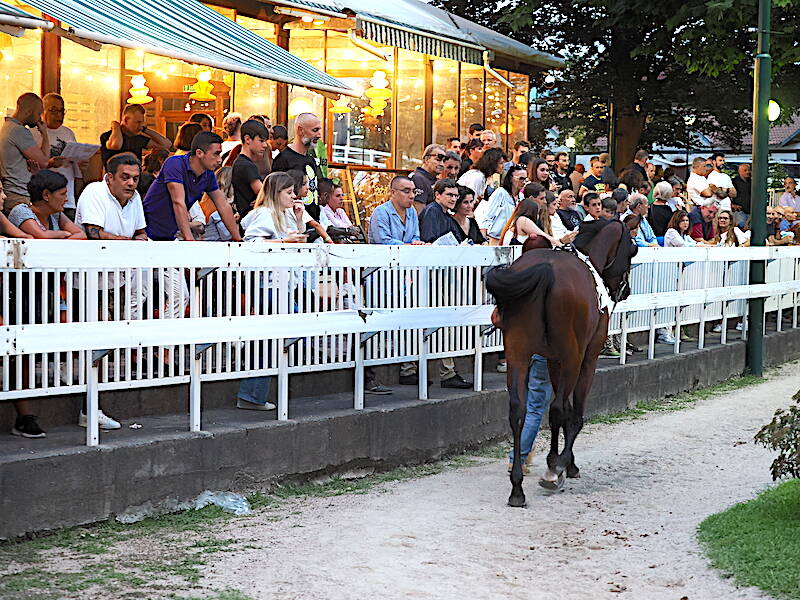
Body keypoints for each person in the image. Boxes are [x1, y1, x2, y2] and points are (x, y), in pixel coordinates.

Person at [236, 172, 306, 411]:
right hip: (268, 284)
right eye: (289, 192)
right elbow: (252, 244)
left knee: (270, 338)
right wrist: (285, 242)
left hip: (278, 284)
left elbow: (293, 240)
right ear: (277, 193)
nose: (294, 196)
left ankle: (252, 393)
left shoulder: (283, 214)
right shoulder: (265, 214)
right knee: (274, 337)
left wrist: (298, 221)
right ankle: (252, 394)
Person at [143, 131, 241, 243]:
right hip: (147, 234)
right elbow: (178, 202)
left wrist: (238, 239)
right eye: (216, 154)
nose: (220, 159)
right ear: (199, 153)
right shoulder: (174, 164)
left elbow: (223, 205)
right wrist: (190, 241)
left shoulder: (208, 174)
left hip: (170, 236)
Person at [31, 93, 84, 221]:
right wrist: (49, 163)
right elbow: (29, 166)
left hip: (68, 199)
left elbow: (76, 170)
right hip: (44, 200)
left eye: (61, 111)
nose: (59, 115)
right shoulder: (33, 133)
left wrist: (81, 164)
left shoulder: (68, 133)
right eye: (53, 110)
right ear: (42, 111)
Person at [0, 93, 54, 213]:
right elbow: (44, 162)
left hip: (12, 193)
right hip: (19, 195)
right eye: (38, 113)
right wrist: (44, 135)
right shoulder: (18, 131)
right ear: (29, 112)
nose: (40, 119)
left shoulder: (7, 127)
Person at [271, 113, 324, 219]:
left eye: (319, 130)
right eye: (315, 130)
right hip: (293, 222)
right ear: (300, 130)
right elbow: (276, 196)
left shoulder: (311, 160)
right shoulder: (283, 160)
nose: (319, 135)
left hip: (314, 221)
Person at [8, 169, 85, 240]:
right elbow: (42, 236)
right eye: (62, 194)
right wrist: (64, 234)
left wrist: (63, 239)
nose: (66, 199)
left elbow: (81, 234)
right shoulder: (21, 211)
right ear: (46, 195)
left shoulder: (55, 214)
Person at [100, 104, 171, 166]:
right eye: (138, 122)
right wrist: (116, 127)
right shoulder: (107, 136)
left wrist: (145, 129)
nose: (141, 126)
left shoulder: (138, 138)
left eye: (142, 123)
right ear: (126, 120)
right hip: (115, 176)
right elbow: (116, 145)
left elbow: (166, 145)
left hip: (135, 176)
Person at [231, 119, 271, 220]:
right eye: (261, 141)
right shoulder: (246, 165)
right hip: (252, 220)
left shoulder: (241, 162)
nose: (265, 145)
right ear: (247, 139)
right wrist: (262, 199)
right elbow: (264, 194)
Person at [367, 176, 425, 245]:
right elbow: (384, 242)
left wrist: (417, 243)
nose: (412, 196)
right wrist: (409, 245)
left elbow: (415, 237)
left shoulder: (412, 211)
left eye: (413, 191)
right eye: (406, 191)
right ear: (393, 193)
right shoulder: (381, 212)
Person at [482, 165, 527, 244]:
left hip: (510, 239)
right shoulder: (500, 192)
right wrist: (483, 237)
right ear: (511, 178)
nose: (523, 182)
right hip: (495, 238)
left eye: (525, 179)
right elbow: (488, 214)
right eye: (521, 178)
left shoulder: (521, 197)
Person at [419, 178, 460, 243]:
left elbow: (457, 240)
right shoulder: (432, 211)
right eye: (450, 195)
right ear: (437, 195)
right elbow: (429, 241)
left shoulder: (446, 214)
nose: (454, 199)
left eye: (456, 196)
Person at [410, 143, 446, 211]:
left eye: (444, 161)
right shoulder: (418, 179)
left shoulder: (435, 180)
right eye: (438, 160)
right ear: (426, 160)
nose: (442, 164)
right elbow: (419, 212)